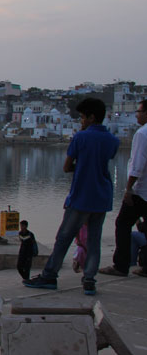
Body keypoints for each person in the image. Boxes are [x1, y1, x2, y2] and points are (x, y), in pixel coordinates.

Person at [24, 98, 119, 295]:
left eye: (83, 117)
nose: (81, 122)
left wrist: (81, 167)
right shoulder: (113, 141)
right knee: (94, 240)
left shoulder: (81, 138)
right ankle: (89, 280)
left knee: (63, 238)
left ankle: (50, 275)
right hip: (102, 197)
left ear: (92, 117)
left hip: (81, 196)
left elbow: (67, 167)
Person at [100, 99, 147, 277]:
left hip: (140, 190)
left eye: (139, 111)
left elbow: (138, 165)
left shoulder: (142, 134)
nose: (137, 114)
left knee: (122, 224)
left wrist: (128, 188)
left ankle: (121, 265)